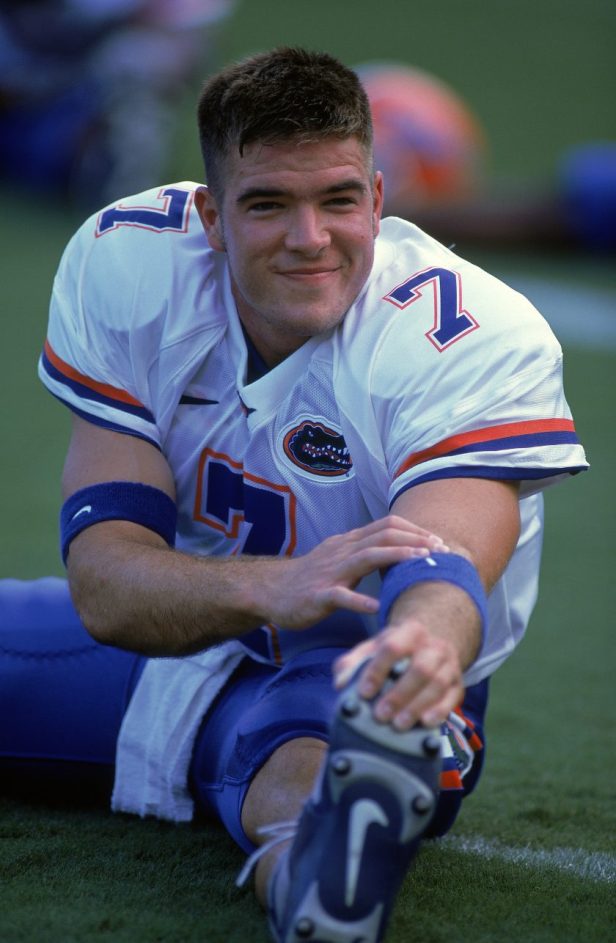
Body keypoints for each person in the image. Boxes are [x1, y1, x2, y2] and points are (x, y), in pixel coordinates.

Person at [2, 47, 588, 943]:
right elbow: (108, 582)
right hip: (174, 635)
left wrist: (418, 650)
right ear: (210, 215)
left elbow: (445, 556)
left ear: (380, 200)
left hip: (356, 673)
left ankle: (317, 882)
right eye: (269, 202)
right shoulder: (127, 263)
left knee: (316, 748)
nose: (310, 238)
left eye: (339, 200)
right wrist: (268, 585)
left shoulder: (467, 335)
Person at [0, 0, 236, 208]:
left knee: (148, 56)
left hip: (69, 97)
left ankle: (111, 164)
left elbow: (184, 39)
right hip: (24, 84)